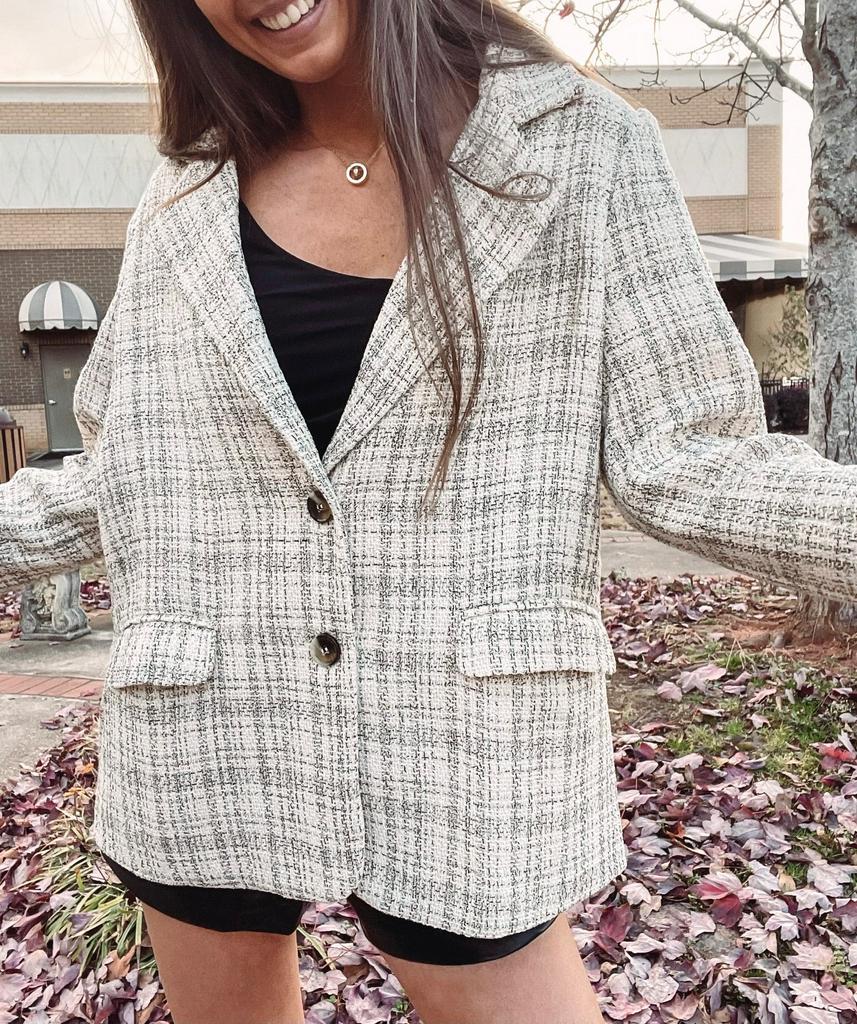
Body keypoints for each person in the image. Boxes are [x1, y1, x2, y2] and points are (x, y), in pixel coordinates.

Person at [2, 1, 855, 1022]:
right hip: (204, 729)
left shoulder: (579, 143)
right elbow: (124, 475)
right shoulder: (186, 190)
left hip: (467, 741)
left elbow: (688, 456)